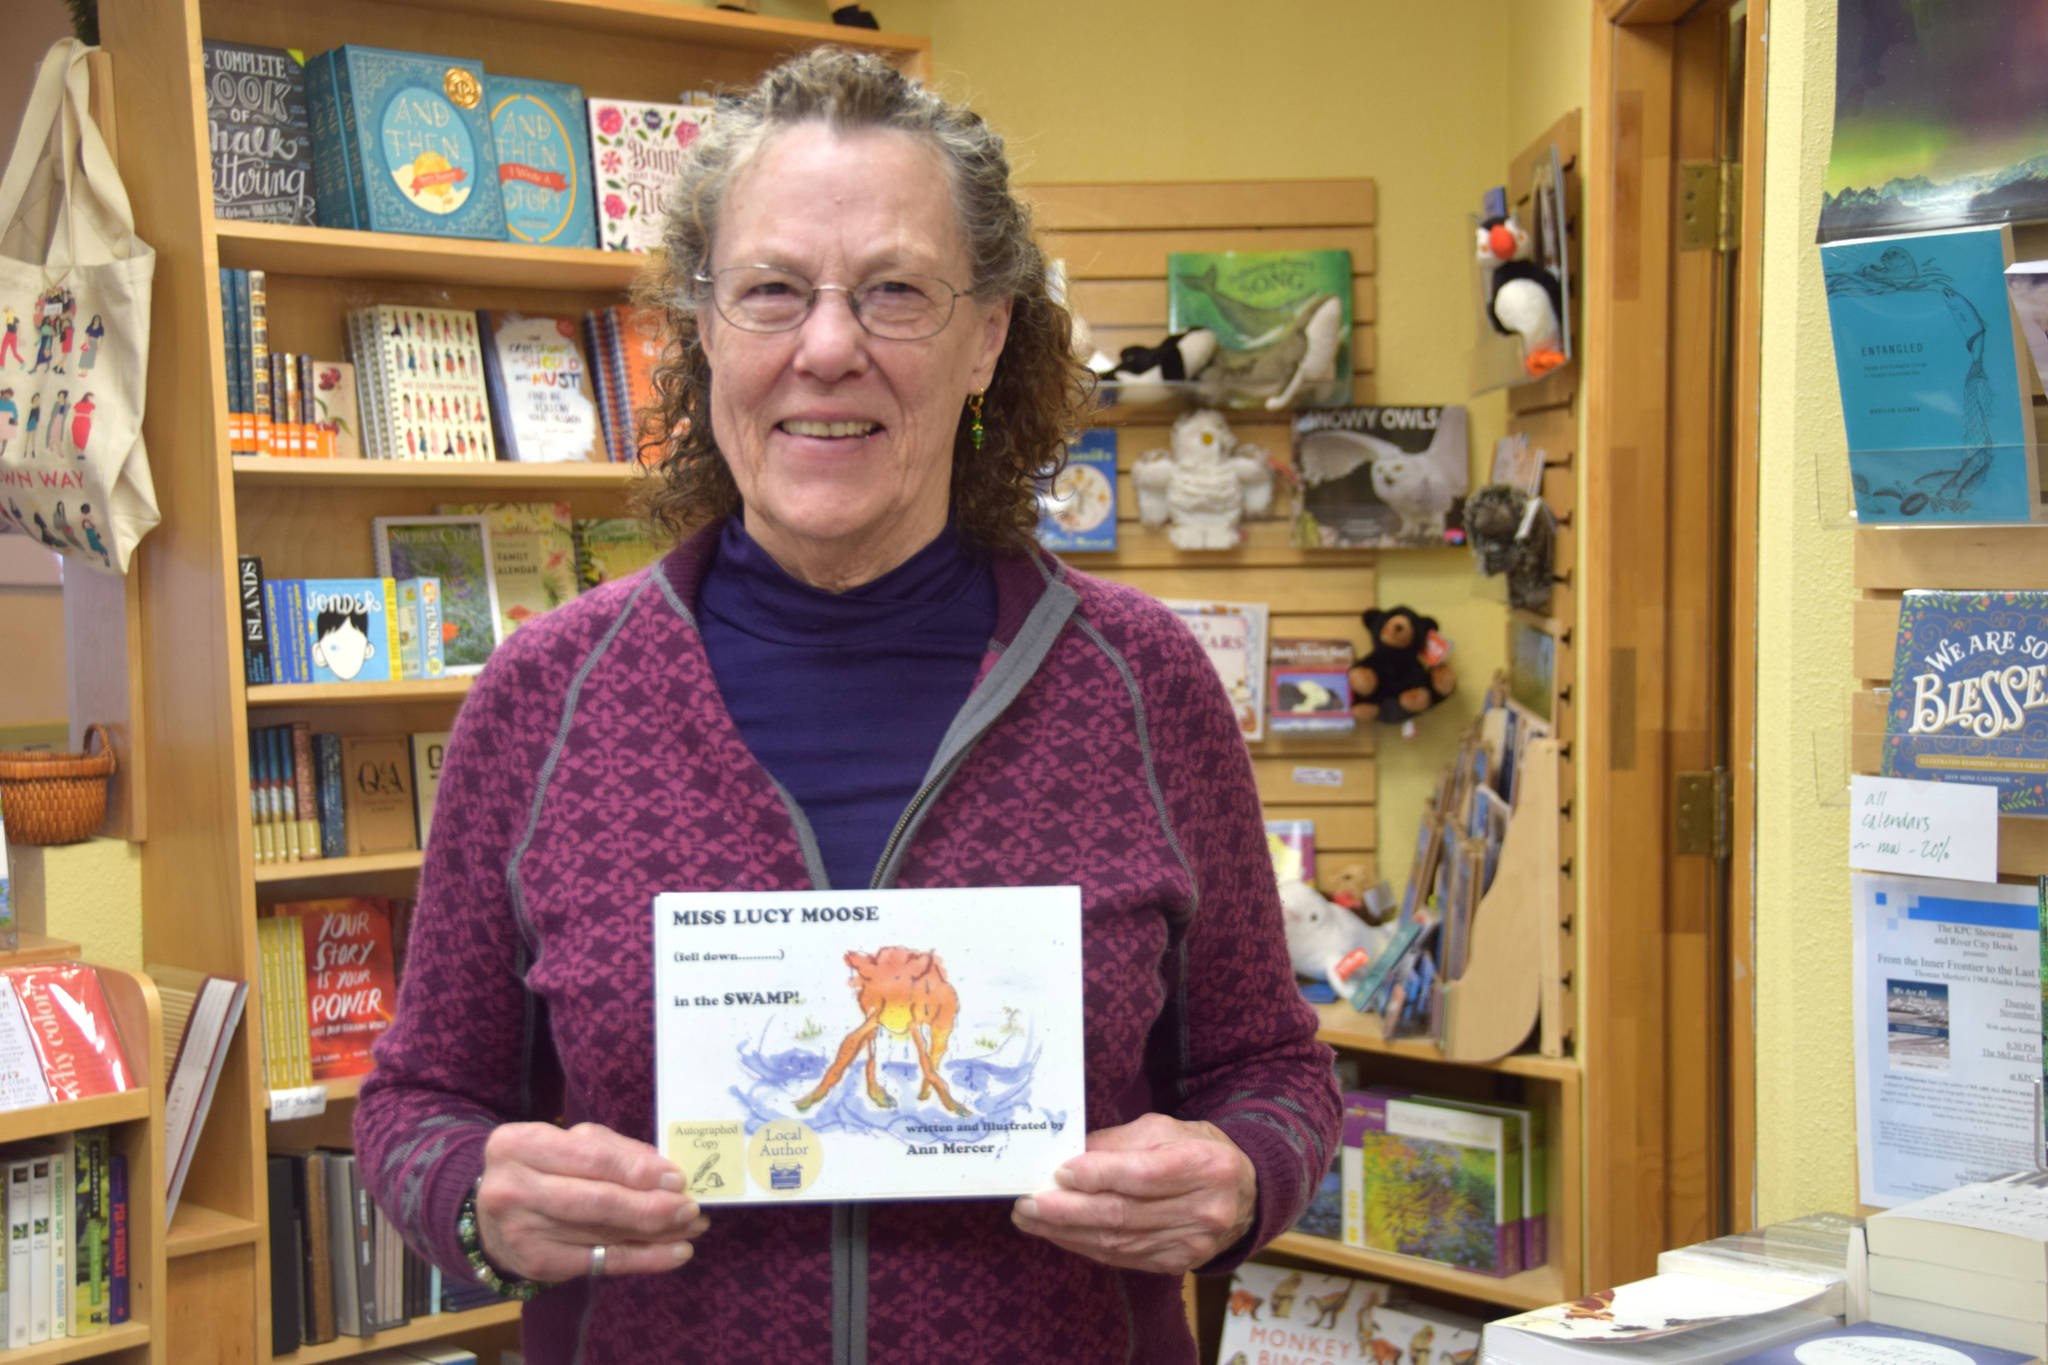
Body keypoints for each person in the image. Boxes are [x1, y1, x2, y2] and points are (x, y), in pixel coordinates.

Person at [355, 47, 1340, 1364]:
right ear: (702, 327)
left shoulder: (1145, 683)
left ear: (989, 333)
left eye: (895, 292)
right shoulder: (544, 695)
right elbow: (418, 1097)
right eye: (773, 291)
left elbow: (1273, 1067)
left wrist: (1239, 1176)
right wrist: (475, 1201)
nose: (829, 346)